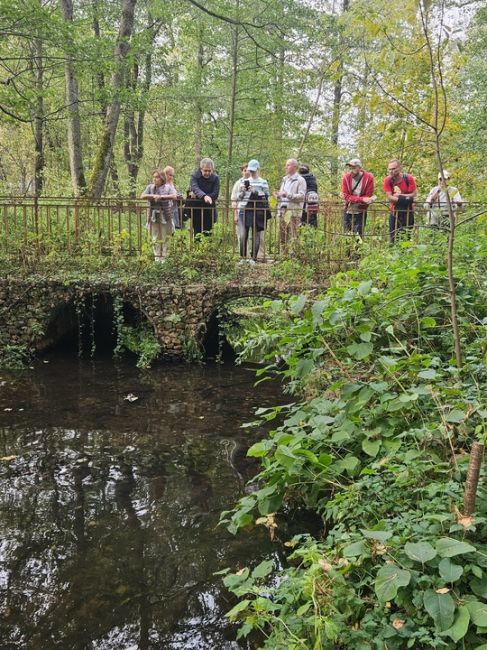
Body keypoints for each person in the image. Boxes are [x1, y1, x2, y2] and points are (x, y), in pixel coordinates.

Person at [237, 159, 270, 264]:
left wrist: (255, 192)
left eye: (253, 170)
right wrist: (243, 192)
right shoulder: (243, 182)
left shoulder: (263, 182)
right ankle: (242, 258)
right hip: (244, 209)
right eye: (250, 170)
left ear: (258, 169)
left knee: (256, 235)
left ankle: (253, 258)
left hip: (257, 210)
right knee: (243, 234)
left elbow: (266, 197)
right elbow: (239, 198)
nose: (251, 172)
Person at [141, 170, 176, 262]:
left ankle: (164, 258)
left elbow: (174, 196)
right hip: (153, 215)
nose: (155, 179)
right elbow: (142, 196)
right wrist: (153, 196)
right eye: (154, 177)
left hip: (165, 215)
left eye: (157, 177)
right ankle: (157, 258)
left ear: (162, 178)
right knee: (155, 237)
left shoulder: (168, 187)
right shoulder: (150, 187)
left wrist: (161, 197)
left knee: (165, 236)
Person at [274, 158, 307, 246]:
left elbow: (302, 196)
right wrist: (278, 195)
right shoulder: (285, 179)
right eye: (286, 165)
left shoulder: (300, 180)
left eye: (288, 165)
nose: (286, 167)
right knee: (282, 235)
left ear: (294, 167)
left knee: (294, 235)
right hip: (283, 211)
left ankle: (293, 257)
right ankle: (283, 256)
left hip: (294, 212)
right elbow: (283, 194)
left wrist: (287, 195)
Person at [383, 159, 417, 243]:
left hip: (408, 211)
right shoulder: (388, 180)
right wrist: (407, 199)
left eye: (394, 168)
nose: (391, 171)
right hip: (394, 212)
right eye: (390, 169)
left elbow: (414, 195)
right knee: (393, 237)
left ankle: (405, 255)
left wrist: (400, 196)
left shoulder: (408, 178)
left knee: (407, 237)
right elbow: (390, 197)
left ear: (400, 168)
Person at [342, 158, 375, 238]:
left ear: (359, 168)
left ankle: (358, 250)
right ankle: (348, 250)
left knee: (358, 235)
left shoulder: (368, 178)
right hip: (348, 210)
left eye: (353, 167)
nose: (351, 170)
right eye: (350, 168)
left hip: (361, 211)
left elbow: (368, 195)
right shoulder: (346, 177)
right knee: (347, 234)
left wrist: (354, 198)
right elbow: (346, 196)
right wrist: (361, 199)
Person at [189, 157, 220, 236]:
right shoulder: (195, 176)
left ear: (212, 170)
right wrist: (204, 196)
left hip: (209, 210)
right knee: (197, 234)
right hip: (196, 210)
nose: (207, 173)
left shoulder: (215, 178)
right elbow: (195, 187)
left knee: (208, 234)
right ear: (201, 169)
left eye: (209, 171)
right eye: (205, 170)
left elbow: (215, 193)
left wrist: (206, 197)